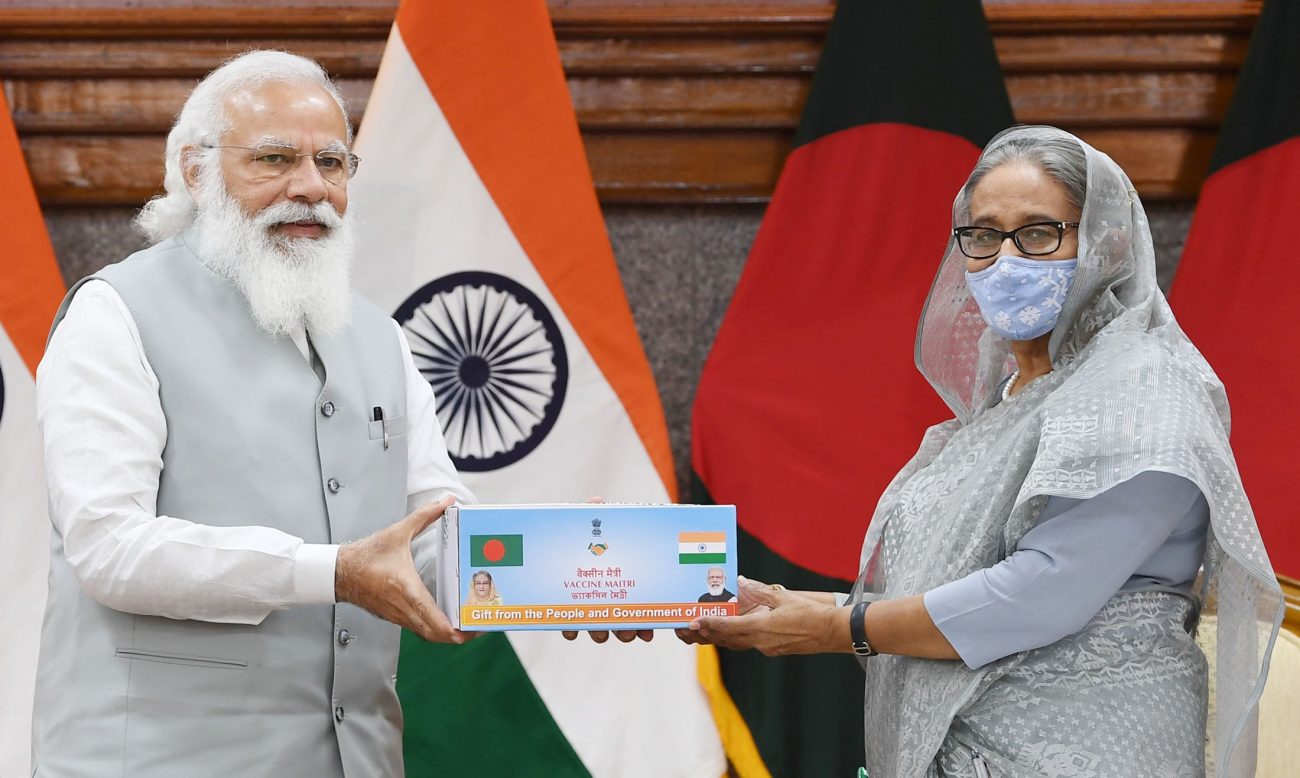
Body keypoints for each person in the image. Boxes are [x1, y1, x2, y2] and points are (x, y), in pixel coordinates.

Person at [680, 126, 1283, 777]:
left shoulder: (1142, 386)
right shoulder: (1007, 401)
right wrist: (790, 606)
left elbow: (1040, 594)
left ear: (1106, 245)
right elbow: (949, 590)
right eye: (985, 235)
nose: (1006, 260)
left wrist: (837, 628)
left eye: (1038, 233)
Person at [32, 51, 476, 777]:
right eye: (274, 158)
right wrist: (330, 573)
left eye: (332, 164)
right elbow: (110, 548)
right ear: (197, 171)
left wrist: (604, 578)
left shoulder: (380, 338)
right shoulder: (115, 314)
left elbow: (432, 536)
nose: (310, 187)